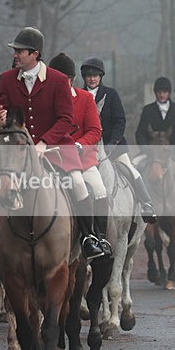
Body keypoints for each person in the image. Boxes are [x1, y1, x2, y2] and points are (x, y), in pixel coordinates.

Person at [0, 27, 111, 261]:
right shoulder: (6, 79)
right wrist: (1, 117)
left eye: (19, 51)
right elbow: (0, 108)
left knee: (78, 183)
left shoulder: (57, 80)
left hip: (55, 149)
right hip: (17, 152)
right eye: (15, 51)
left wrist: (44, 142)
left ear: (34, 54)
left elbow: (66, 119)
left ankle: (88, 237)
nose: (15, 55)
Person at [48, 52, 115, 249]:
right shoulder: (43, 100)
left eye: (65, 80)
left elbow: (95, 130)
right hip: (49, 156)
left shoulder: (85, 98)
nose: (60, 84)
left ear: (72, 79)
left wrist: (79, 145)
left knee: (99, 190)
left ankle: (95, 237)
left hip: (80, 157)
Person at [80, 57, 156, 223]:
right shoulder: (79, 95)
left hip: (113, 145)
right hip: (86, 148)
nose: (92, 78)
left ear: (101, 77)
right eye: (89, 75)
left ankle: (146, 204)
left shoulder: (111, 94)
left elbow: (120, 120)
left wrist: (112, 143)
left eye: (96, 75)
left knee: (129, 169)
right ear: (84, 77)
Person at [135, 76, 175, 217]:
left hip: (173, 151)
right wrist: (145, 148)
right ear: (155, 93)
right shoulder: (148, 110)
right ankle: (139, 205)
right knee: (133, 166)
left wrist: (174, 148)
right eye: (159, 92)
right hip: (151, 152)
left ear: (169, 93)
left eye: (164, 92)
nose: (162, 94)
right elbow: (139, 132)